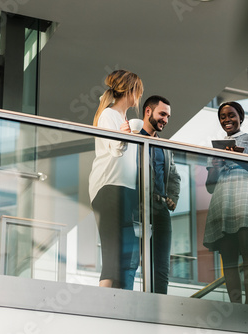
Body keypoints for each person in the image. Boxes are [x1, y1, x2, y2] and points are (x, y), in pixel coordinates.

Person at [203, 101, 248, 304]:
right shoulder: (216, 147)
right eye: (223, 117)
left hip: (246, 193)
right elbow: (209, 186)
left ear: (240, 117)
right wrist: (216, 166)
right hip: (223, 198)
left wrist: (237, 157)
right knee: (228, 258)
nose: (227, 120)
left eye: (231, 115)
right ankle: (235, 306)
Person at [88, 70, 144, 289]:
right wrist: (126, 136)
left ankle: (121, 300)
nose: (138, 97)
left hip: (125, 189)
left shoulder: (124, 119)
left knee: (128, 255)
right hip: (109, 186)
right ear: (131, 91)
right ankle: (104, 304)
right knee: (112, 251)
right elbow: (116, 149)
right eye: (138, 92)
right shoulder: (108, 115)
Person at [139, 95, 181, 294]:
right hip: (137, 205)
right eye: (162, 114)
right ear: (148, 111)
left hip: (161, 208)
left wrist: (173, 196)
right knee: (134, 259)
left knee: (162, 266)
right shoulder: (132, 137)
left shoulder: (164, 146)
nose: (165, 119)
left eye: (168, 116)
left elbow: (174, 176)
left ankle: (158, 309)